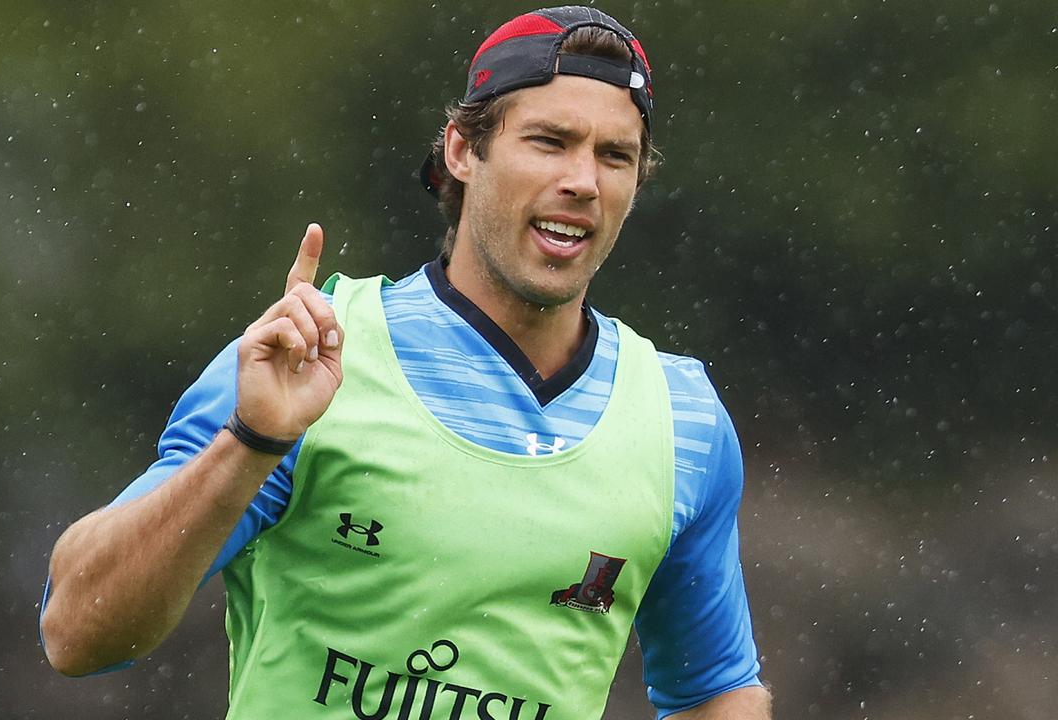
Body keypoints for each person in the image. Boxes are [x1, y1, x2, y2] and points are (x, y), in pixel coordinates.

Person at [41, 6, 771, 719]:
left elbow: (715, 690)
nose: (584, 180)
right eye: (550, 141)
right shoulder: (310, 353)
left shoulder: (682, 420)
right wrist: (251, 441)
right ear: (461, 150)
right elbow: (76, 631)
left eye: (615, 155)